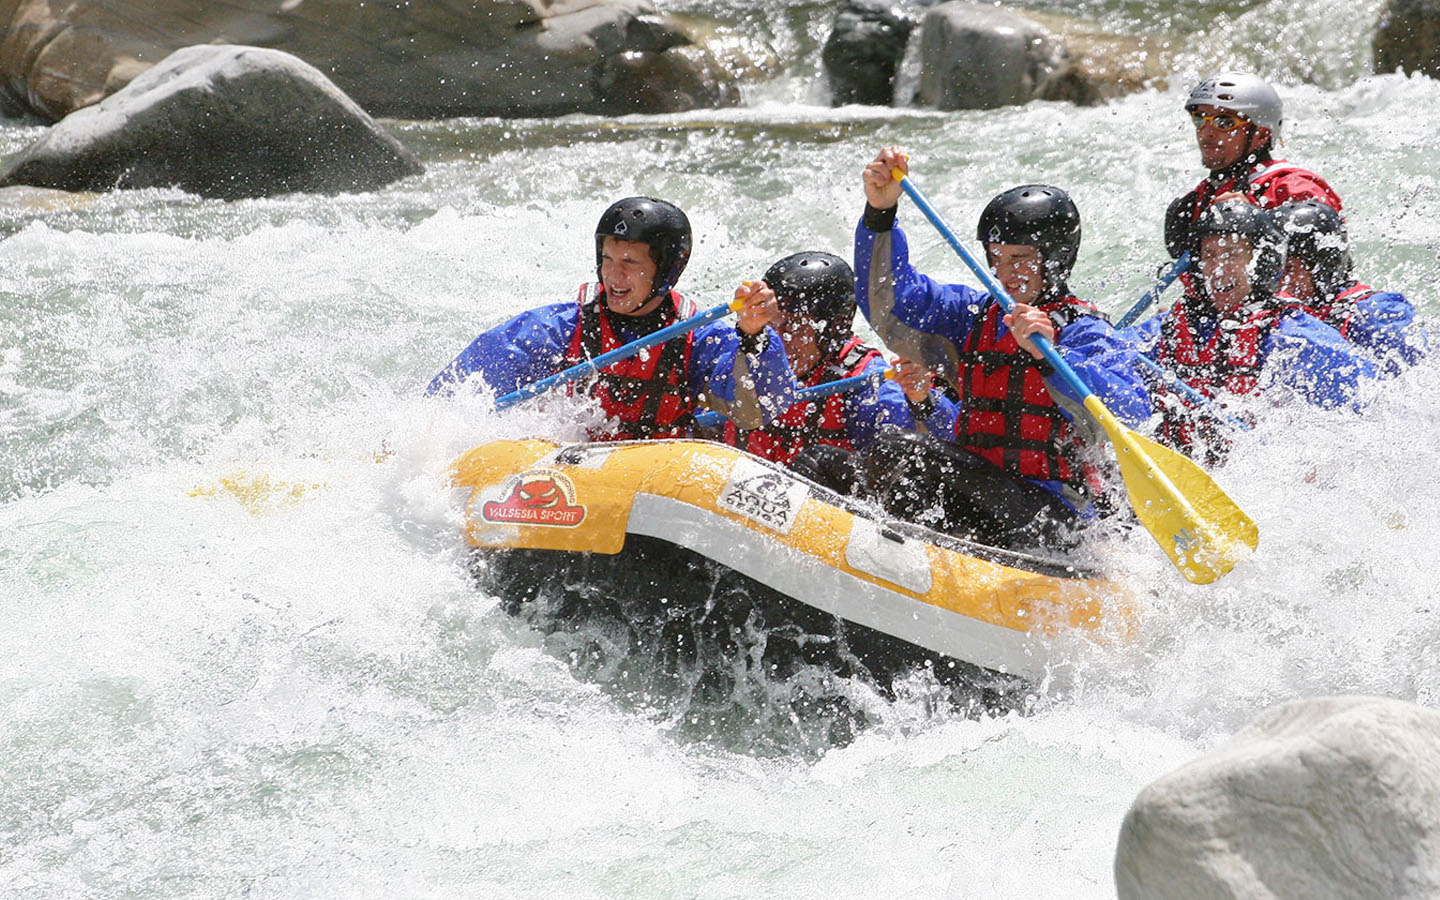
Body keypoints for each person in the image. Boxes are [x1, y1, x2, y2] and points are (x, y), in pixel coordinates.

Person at [847, 147, 1151, 551]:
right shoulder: (972, 317)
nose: (1006, 272)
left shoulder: (1085, 332)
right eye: (997, 258)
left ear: (1056, 259)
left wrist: (1051, 356)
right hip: (976, 491)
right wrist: (880, 214)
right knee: (823, 461)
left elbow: (1131, 415)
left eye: (1021, 259)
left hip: (1053, 513)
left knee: (903, 450)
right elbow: (889, 305)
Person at [427, 196, 796, 441]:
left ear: (667, 269)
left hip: (659, 483)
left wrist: (752, 335)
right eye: (608, 260)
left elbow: (758, 411)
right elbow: (457, 393)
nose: (614, 276)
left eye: (630, 263)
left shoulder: (698, 338)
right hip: (573, 484)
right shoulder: (556, 330)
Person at [1127, 200, 1378, 463]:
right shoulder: (1171, 324)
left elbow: (1368, 406)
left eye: (1232, 254)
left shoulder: (1290, 332)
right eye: (1209, 255)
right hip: (1179, 466)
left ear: (1260, 261)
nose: (1218, 268)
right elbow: (1114, 356)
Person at [714, 250, 954, 474]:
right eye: (770, 322)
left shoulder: (867, 386)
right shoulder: (742, 357)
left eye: (794, 325)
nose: (779, 337)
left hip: (821, 505)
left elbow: (931, 453)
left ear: (833, 328)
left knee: (818, 462)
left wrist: (922, 401)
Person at [1165, 71, 1343, 255]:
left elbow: (1324, 268)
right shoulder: (1200, 199)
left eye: (1225, 122)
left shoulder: (1293, 189)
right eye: (1200, 118)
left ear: (1261, 135)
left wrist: (1255, 223)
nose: (1206, 132)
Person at [1272, 200, 1428, 376]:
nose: (1278, 281)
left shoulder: (1374, 315)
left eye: (1289, 269)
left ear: (1322, 269)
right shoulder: (1288, 318)